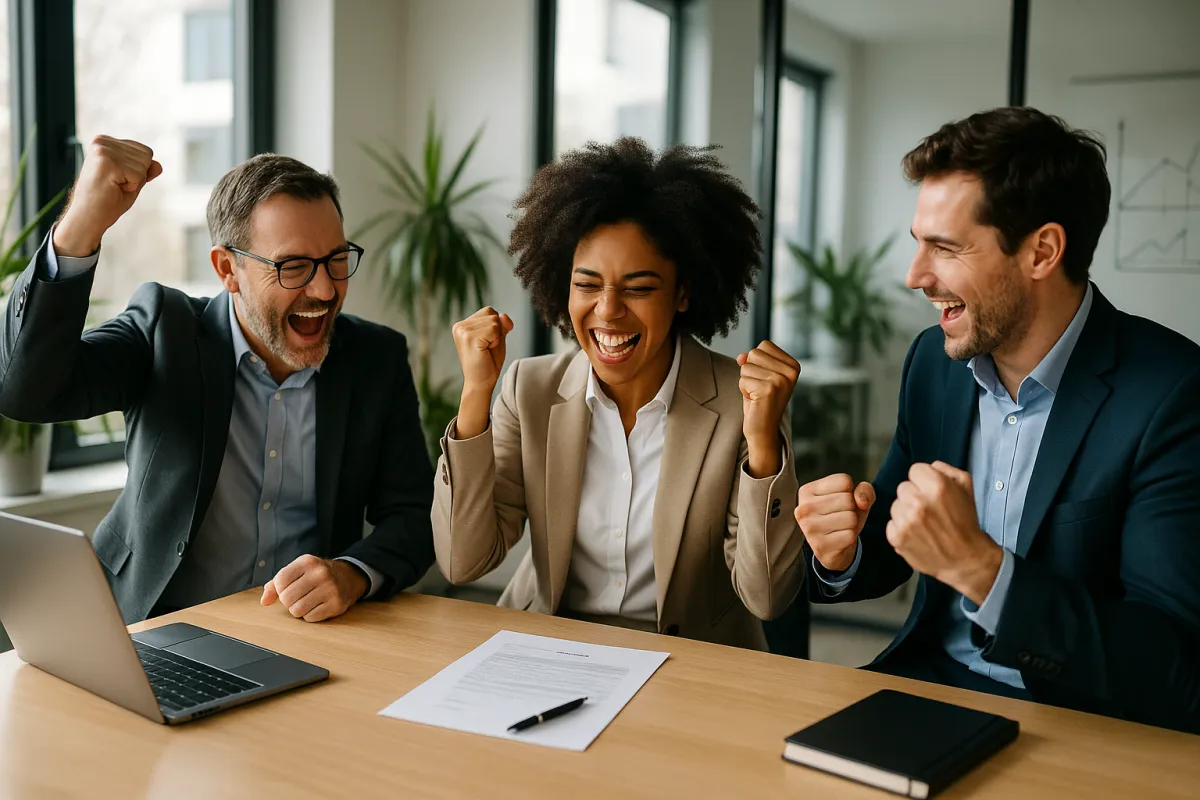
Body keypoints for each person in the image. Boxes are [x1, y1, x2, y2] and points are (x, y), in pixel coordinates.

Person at [795, 107, 1200, 733]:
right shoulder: (933, 361)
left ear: (1042, 251)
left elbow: (1175, 668)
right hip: (930, 687)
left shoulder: (1172, 393)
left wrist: (983, 571)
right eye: (917, 243)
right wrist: (843, 548)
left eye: (945, 248)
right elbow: (896, 543)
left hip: (1081, 725)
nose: (915, 277)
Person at [0, 136, 435, 624]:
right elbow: (28, 393)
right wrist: (79, 227)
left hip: (303, 637)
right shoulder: (164, 330)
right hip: (148, 625)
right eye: (293, 266)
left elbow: (414, 517)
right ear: (228, 269)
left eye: (336, 259)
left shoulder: (376, 357)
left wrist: (352, 573)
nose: (325, 288)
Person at [432, 138, 806, 649]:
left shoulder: (743, 403)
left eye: (638, 287)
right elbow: (463, 560)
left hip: (692, 664)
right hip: (548, 647)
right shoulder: (529, 389)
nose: (607, 311)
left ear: (682, 293)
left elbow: (766, 597)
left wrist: (762, 445)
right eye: (587, 284)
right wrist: (477, 393)